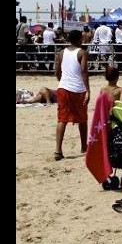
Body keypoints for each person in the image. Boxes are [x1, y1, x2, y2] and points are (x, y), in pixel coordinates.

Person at [54, 29, 90, 161]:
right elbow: (84, 71)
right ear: (79, 39)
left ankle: (58, 150)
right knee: (82, 119)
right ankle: (83, 146)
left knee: (62, 119)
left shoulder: (61, 52)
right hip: (78, 89)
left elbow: (57, 70)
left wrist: (61, 81)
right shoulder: (82, 52)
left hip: (63, 88)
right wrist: (88, 90)